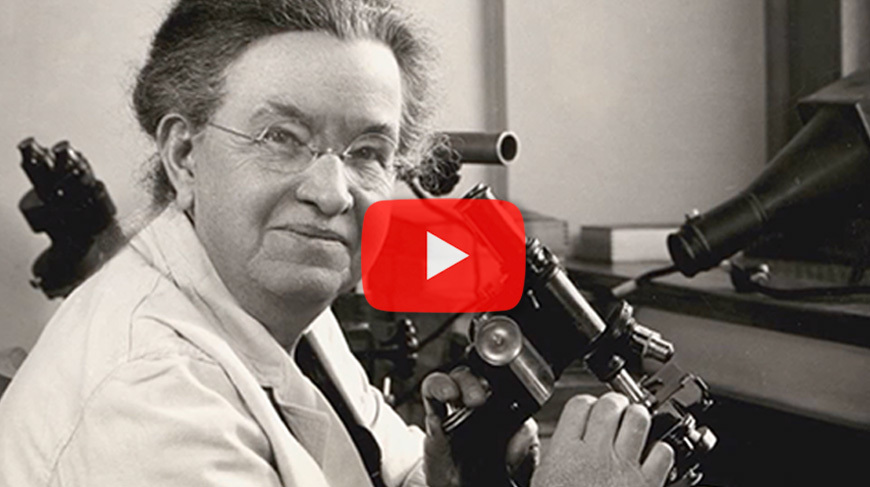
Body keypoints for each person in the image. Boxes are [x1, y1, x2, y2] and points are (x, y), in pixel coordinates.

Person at [0, 0, 673, 485]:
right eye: (281, 137)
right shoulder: (149, 399)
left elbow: (387, 467)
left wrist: (453, 475)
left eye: (368, 151)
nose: (332, 191)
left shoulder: (284, 299)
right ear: (183, 155)